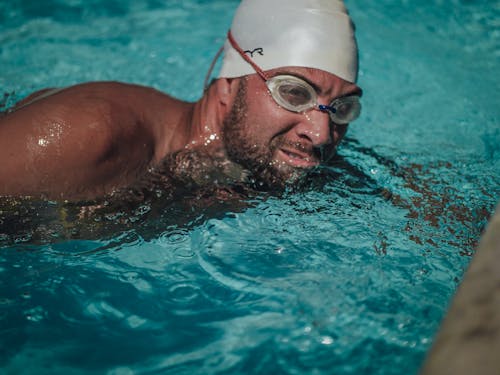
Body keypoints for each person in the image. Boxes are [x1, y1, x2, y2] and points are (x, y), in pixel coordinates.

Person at [0, 0, 362, 202]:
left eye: (342, 107)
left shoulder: (281, 159)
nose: (321, 133)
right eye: (294, 93)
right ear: (227, 86)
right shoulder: (93, 132)